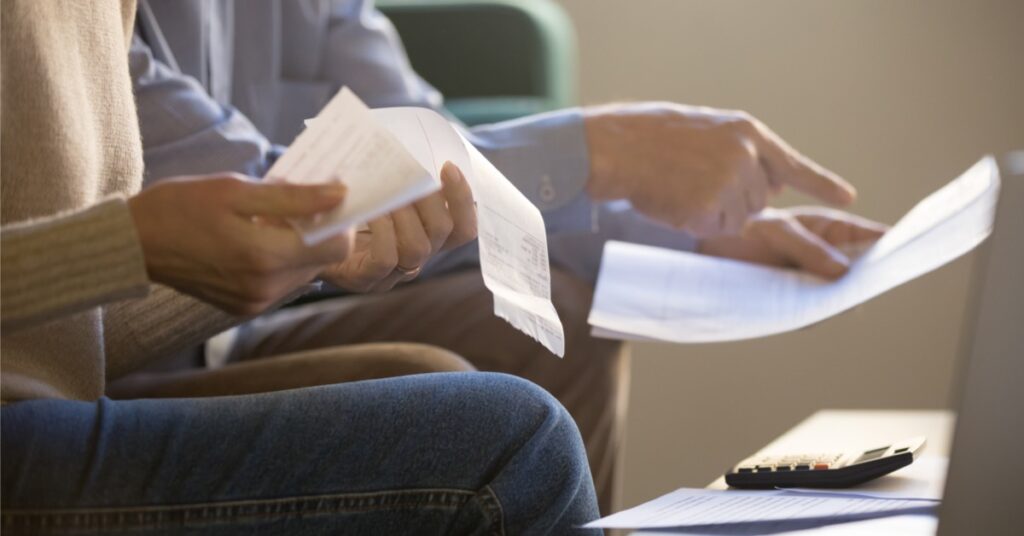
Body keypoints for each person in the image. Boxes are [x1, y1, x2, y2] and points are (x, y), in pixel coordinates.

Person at [124, 0, 889, 514]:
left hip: (223, 337)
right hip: (114, 353)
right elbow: (250, 204)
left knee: (556, 320)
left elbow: (435, 172)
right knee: (457, 403)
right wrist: (605, 150)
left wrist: (697, 233)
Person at [0, 1, 600, 532]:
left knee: (466, 373)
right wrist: (127, 248)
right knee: (515, 443)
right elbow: (128, 246)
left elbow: (68, 333)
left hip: (59, 406)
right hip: (33, 430)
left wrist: (305, 256)